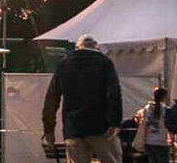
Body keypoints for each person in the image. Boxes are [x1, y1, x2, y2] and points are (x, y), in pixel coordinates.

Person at [41, 35, 123, 163]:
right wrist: (115, 122)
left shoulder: (64, 64)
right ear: (96, 47)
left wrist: (49, 128)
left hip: (73, 127)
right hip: (101, 126)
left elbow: (52, 98)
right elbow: (114, 94)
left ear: (77, 47)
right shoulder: (104, 62)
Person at [132, 87, 173, 163]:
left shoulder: (147, 109)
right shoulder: (166, 110)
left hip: (149, 141)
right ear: (164, 97)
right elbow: (169, 126)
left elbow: (144, 125)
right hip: (162, 141)